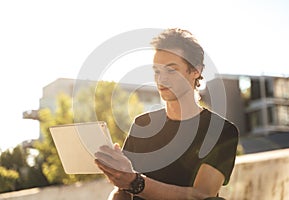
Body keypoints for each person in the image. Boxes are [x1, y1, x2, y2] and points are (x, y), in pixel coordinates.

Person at [94, 28, 239, 200]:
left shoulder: (221, 131)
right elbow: (123, 189)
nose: (161, 79)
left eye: (171, 70)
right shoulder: (142, 124)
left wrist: (136, 183)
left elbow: (201, 196)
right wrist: (119, 180)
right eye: (157, 71)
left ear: (195, 71)